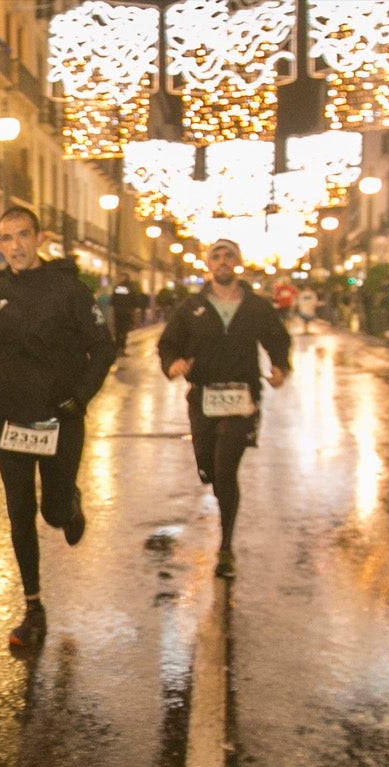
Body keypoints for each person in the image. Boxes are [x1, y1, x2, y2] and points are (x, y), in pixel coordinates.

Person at [0, 206, 116, 648]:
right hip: (12, 419)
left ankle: (69, 506)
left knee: (51, 512)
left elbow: (104, 347)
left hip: (62, 417)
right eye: (6, 238)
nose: (15, 246)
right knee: (19, 511)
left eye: (22, 236)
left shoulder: (69, 290)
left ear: (40, 238)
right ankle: (33, 608)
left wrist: (79, 398)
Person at [156, 237, 291, 580]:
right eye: (216, 255)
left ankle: (226, 547)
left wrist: (280, 366)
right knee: (208, 467)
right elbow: (168, 343)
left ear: (239, 262)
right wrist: (172, 364)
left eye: (229, 254)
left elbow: (278, 339)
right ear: (208, 265)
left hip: (242, 397)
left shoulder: (257, 307)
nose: (223, 260)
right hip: (203, 397)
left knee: (226, 467)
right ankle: (216, 484)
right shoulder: (191, 307)